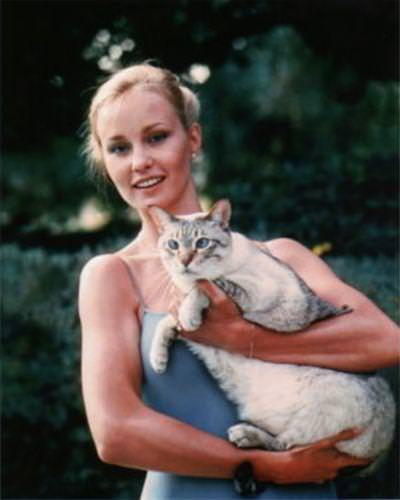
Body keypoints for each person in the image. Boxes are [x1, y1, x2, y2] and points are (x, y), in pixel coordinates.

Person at [78, 63, 399, 500]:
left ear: (193, 139)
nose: (140, 162)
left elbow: (385, 341)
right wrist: (267, 465)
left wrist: (238, 337)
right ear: (104, 161)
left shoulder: (280, 257)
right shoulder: (113, 276)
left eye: (156, 137)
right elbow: (115, 432)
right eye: (118, 147)